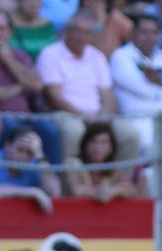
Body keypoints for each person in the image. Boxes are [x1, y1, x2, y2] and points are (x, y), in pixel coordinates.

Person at [0, 9, 64, 167]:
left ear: (10, 32)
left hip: (27, 116)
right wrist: (20, 86)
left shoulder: (19, 56)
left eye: (2, 29)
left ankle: (54, 182)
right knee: (13, 128)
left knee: (50, 130)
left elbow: (37, 85)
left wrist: (8, 60)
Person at [110, 12, 162, 198]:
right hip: (140, 119)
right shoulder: (121, 56)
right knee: (151, 146)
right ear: (133, 33)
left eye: (154, 32)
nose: (149, 37)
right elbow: (139, 87)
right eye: (144, 32)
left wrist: (160, 83)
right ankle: (146, 195)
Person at [38, 10, 134, 167]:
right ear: (67, 31)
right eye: (78, 31)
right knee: (73, 130)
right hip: (64, 113)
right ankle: (70, 183)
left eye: (87, 32)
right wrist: (85, 118)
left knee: (130, 133)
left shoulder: (98, 56)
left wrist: (102, 118)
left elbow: (108, 95)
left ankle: (119, 183)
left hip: (98, 116)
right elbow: (54, 96)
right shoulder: (50, 54)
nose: (82, 37)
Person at [0, 123, 57, 208]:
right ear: (7, 145)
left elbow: (53, 191)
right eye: (20, 150)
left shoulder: (33, 163)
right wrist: (33, 191)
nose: (24, 156)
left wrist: (39, 156)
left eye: (29, 152)